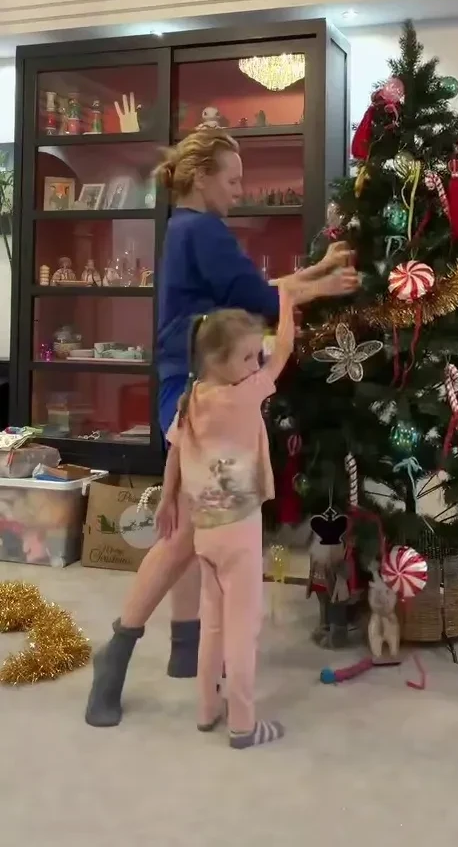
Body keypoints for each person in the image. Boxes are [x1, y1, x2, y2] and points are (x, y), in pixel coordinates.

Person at [85, 129, 358, 727]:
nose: (239, 191)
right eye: (232, 180)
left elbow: (250, 297)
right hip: (194, 392)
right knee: (186, 532)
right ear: (202, 177)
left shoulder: (188, 228)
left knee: (190, 527)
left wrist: (315, 273)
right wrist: (322, 284)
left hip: (189, 385)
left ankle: (186, 647)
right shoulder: (203, 231)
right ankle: (119, 647)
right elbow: (261, 302)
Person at [158, 291, 295, 748]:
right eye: (248, 357)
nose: (257, 365)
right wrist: (288, 298)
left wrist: (167, 499)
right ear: (218, 360)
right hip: (239, 530)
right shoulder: (242, 396)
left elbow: (175, 452)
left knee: (213, 623)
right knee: (243, 628)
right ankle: (243, 724)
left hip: (206, 530)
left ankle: (206, 709)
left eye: (257, 356)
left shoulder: (192, 397)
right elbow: (285, 350)